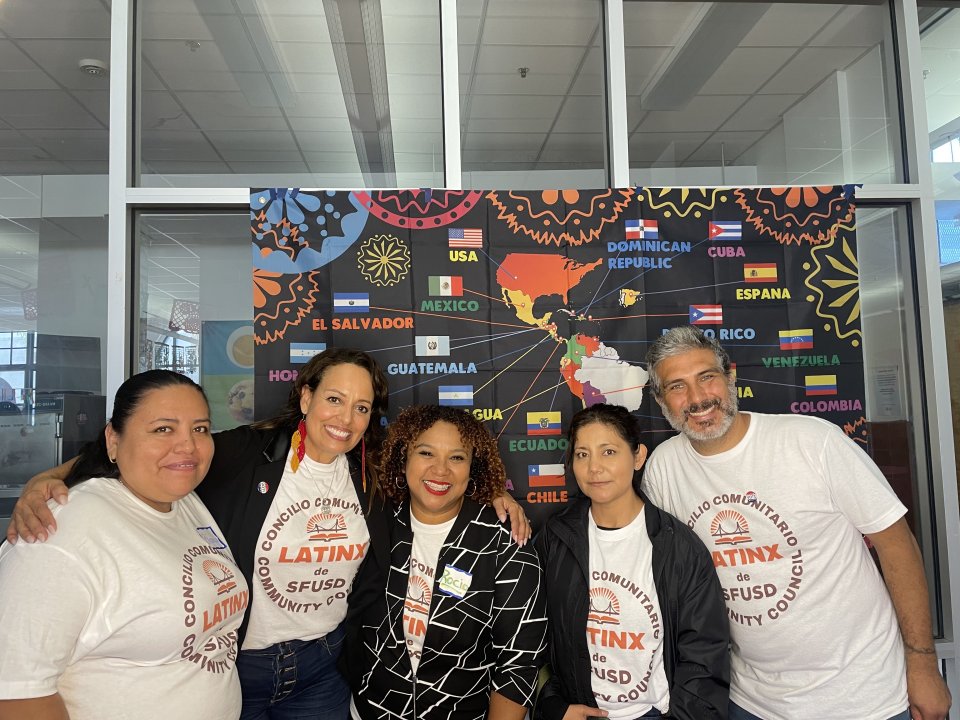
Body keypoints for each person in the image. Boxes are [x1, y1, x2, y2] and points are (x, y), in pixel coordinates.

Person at [7, 349, 530, 720]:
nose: (346, 419)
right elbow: (153, 451)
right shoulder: (243, 452)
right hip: (238, 668)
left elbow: (440, 469)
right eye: (334, 399)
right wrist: (47, 480)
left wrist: (493, 497)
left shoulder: (373, 469)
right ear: (305, 397)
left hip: (322, 667)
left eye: (363, 407)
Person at [641, 325, 952, 720]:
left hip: (864, 696)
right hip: (749, 701)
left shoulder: (812, 441)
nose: (698, 399)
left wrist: (923, 663)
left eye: (707, 378)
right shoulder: (664, 468)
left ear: (730, 377)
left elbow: (897, 546)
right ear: (660, 399)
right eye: (677, 386)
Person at [0, 370, 247, 720]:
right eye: (163, 429)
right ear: (113, 440)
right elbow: (16, 695)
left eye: (200, 428)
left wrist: (47, 475)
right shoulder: (58, 534)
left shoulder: (183, 499)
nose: (188, 445)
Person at [344, 404, 547, 719]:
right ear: (403, 457)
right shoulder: (374, 524)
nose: (440, 470)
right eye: (426, 453)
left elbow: (519, 663)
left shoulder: (504, 542)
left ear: (473, 467)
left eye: (457, 457)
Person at [534, 403, 729, 720]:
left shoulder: (679, 548)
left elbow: (705, 655)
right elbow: (528, 637)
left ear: (638, 456)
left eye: (608, 452)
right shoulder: (555, 539)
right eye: (583, 454)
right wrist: (554, 706)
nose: (594, 467)